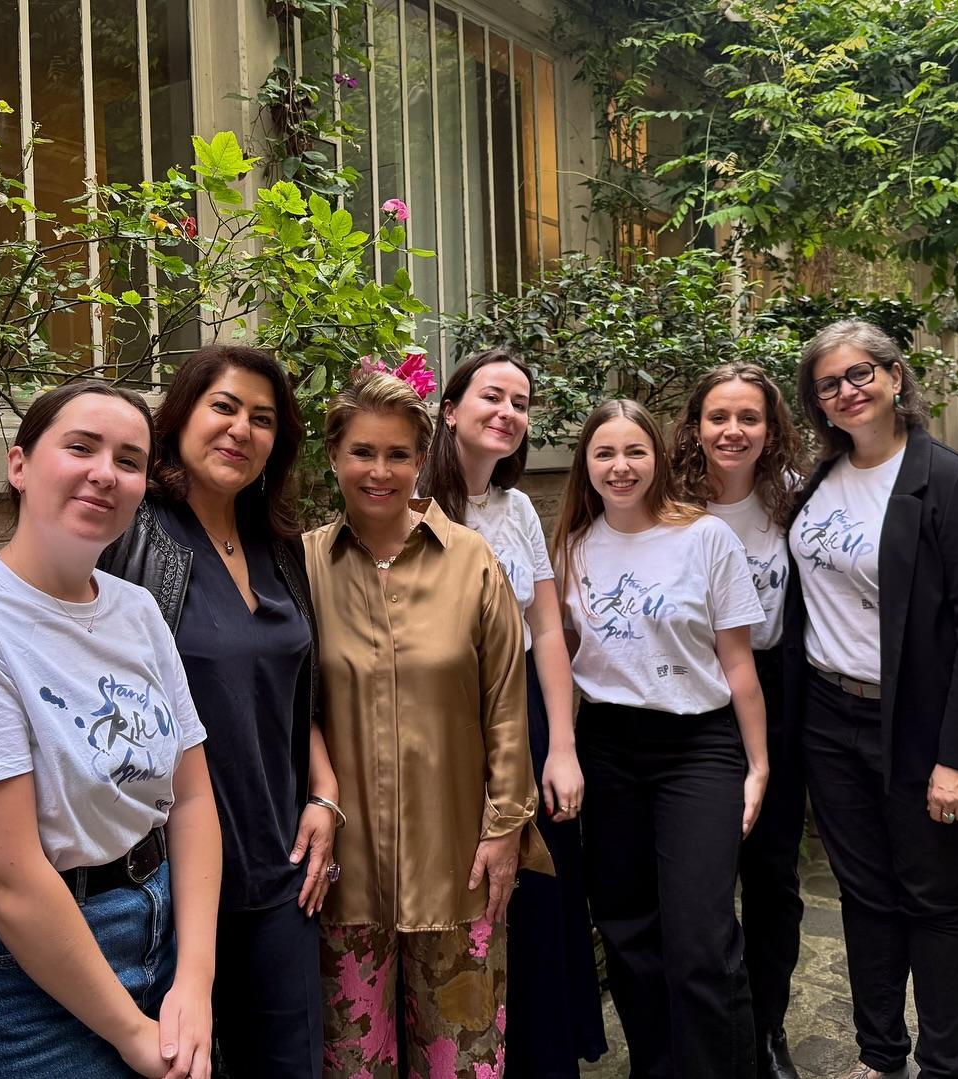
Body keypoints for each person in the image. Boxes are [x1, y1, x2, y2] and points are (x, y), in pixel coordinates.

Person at [0, 382, 222, 1079]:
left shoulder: (136, 610)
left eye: (130, 459)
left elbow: (190, 800)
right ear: (19, 465)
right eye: (80, 447)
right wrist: (131, 1030)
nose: (106, 471)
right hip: (23, 978)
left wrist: (194, 977)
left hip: (158, 925)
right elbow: (7, 879)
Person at [785, 320, 958, 1079]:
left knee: (937, 896)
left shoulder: (948, 480)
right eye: (829, 383)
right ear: (816, 402)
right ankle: (881, 1056)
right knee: (864, 896)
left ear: (895, 376)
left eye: (860, 374)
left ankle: (946, 1067)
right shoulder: (818, 481)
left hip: (918, 724)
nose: (846, 391)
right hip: (829, 717)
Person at [303, 371, 552, 1077]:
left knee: (462, 1062)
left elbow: (506, 703)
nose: (379, 471)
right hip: (345, 874)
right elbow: (295, 708)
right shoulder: (306, 566)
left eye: (397, 455)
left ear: (421, 459)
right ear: (334, 456)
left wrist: (506, 827)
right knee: (354, 1064)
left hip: (458, 864)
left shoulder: (471, 561)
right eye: (362, 452)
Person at [100, 344, 334, 1077]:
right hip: (166, 881)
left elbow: (301, 690)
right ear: (180, 418)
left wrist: (325, 793)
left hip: (281, 873)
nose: (241, 429)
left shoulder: (280, 545)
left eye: (263, 419)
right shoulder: (131, 537)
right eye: (224, 407)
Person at [550, 398, 769, 1079]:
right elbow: (553, 656)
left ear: (658, 457)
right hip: (609, 744)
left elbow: (738, 663)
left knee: (701, 940)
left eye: (634, 451)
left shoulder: (704, 537)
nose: (621, 466)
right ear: (585, 464)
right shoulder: (570, 549)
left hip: (698, 746)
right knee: (626, 930)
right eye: (605, 453)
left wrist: (758, 762)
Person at [417, 348, 607, 1077]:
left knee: (539, 893)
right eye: (492, 396)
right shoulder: (409, 502)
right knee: (468, 890)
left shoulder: (519, 507)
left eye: (520, 403)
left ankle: (538, 1057)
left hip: (524, 712)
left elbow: (549, 631)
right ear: (450, 408)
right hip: (443, 723)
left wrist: (562, 743)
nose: (508, 413)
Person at [671, 363, 808, 1079]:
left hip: (775, 696)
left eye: (748, 417)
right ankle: (709, 1024)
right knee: (700, 882)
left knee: (772, 876)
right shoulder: (668, 502)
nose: (732, 430)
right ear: (695, 425)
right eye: (717, 416)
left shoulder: (790, 500)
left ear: (770, 427)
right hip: (693, 701)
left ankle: (767, 1027)